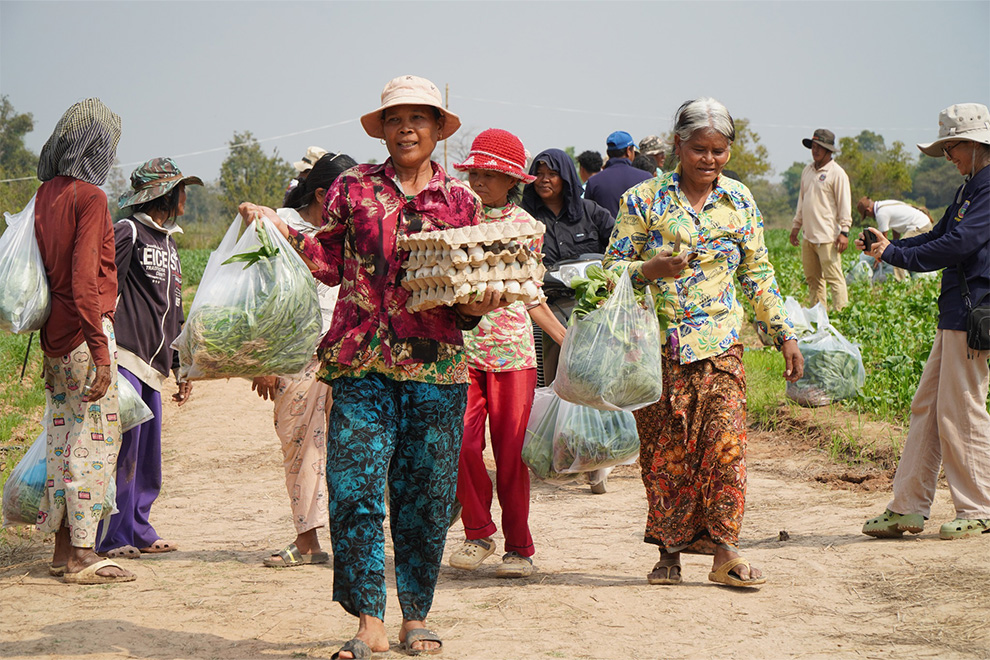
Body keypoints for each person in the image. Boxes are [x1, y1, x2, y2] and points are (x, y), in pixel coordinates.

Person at [238, 74, 501, 659]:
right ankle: (367, 621)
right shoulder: (352, 189)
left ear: (438, 130)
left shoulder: (462, 202)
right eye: (395, 119)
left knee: (425, 495)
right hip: (360, 364)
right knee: (354, 488)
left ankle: (416, 615)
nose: (407, 127)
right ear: (382, 130)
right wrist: (282, 233)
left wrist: (477, 303)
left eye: (420, 118)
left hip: (436, 370)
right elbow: (328, 263)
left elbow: (468, 299)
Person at [603, 97, 803, 588]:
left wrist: (784, 334)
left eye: (718, 150)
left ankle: (726, 552)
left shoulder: (740, 202)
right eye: (698, 149)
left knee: (725, 446)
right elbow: (608, 271)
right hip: (656, 352)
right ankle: (669, 552)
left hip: (720, 346)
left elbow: (758, 273)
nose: (708, 160)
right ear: (678, 146)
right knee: (665, 454)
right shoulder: (644, 200)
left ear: (728, 152)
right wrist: (648, 270)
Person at [860, 102, 990, 541]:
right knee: (928, 407)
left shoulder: (989, 187)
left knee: (962, 409)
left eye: (951, 148)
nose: (949, 157)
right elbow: (938, 236)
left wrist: (895, 254)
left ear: (973, 144)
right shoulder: (971, 186)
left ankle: (979, 507)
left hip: (973, 312)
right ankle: (908, 508)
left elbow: (960, 243)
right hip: (955, 310)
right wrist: (891, 248)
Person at [447, 129, 568, 579]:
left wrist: (566, 341)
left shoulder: (526, 228)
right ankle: (478, 531)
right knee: (459, 442)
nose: (479, 181)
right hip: (460, 353)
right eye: (475, 172)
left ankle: (520, 548)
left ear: (511, 180)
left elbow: (532, 295)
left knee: (513, 453)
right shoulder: (454, 221)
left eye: (490, 174)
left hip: (513, 355)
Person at [32, 99, 134, 584]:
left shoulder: (46, 193)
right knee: (95, 442)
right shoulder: (90, 196)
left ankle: (59, 550)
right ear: (96, 147)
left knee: (61, 439)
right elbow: (84, 278)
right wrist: (100, 350)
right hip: (83, 333)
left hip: (54, 336)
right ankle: (80, 555)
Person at [252, 152, 358, 568]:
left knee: (353, 449)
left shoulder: (351, 230)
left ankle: (351, 539)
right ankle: (308, 540)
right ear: (320, 194)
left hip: (346, 355)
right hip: (294, 357)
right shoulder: (281, 227)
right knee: (301, 449)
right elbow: (260, 291)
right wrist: (264, 358)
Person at [95, 158, 202, 560]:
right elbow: (106, 286)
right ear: (165, 194)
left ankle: (139, 528)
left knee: (147, 459)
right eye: (180, 189)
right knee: (124, 453)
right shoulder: (129, 231)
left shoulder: (169, 243)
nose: (185, 196)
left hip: (154, 366)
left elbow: (173, 307)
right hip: (126, 358)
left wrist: (179, 364)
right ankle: (111, 536)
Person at [521, 148, 615, 491]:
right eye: (539, 173)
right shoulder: (526, 218)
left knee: (594, 380)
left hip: (592, 308)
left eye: (552, 174)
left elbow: (619, 249)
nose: (545, 180)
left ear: (566, 177)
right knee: (554, 382)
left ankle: (597, 455)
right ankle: (560, 449)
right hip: (546, 309)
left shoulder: (591, 213)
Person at [789, 128, 852, 311]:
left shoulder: (837, 173)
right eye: (813, 146)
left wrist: (844, 232)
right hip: (808, 236)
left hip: (828, 237)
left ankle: (842, 315)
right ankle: (818, 319)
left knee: (834, 279)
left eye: (819, 147)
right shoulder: (807, 171)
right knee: (813, 280)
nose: (815, 150)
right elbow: (802, 201)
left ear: (828, 150)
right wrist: (796, 226)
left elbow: (844, 205)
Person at [856, 196, 933, 281]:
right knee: (899, 250)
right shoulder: (883, 204)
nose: (869, 217)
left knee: (897, 254)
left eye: (866, 215)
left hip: (920, 226)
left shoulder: (881, 214)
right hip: (923, 222)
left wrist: (878, 257)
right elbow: (896, 229)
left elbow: (882, 242)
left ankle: (902, 281)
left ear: (868, 210)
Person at [583, 130, 653, 216]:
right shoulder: (646, 178)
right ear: (628, 151)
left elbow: (588, 217)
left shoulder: (593, 182)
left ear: (608, 152)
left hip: (605, 229)